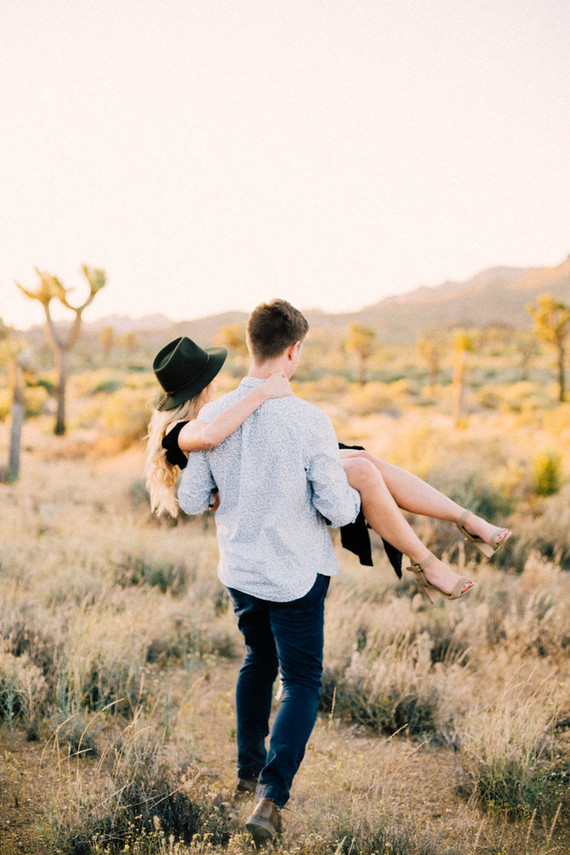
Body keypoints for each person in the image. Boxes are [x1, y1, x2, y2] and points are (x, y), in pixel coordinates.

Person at [145, 301, 510, 841]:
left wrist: (239, 490)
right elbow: (340, 512)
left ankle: (250, 773)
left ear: (250, 348)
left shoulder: (209, 421)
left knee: (256, 662)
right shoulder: (309, 420)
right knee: (302, 683)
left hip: (242, 573)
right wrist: (316, 490)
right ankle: (270, 800)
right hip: (295, 574)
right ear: (293, 351)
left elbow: (196, 499)